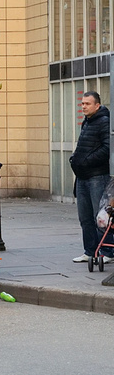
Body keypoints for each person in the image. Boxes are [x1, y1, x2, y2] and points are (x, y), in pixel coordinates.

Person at [69, 91, 113, 263]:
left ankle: (107, 252)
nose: (84, 107)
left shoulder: (104, 122)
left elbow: (106, 149)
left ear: (97, 105)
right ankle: (90, 251)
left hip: (96, 177)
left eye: (87, 104)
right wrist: (75, 159)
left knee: (100, 216)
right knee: (85, 217)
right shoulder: (87, 122)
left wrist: (86, 161)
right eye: (82, 104)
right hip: (82, 177)